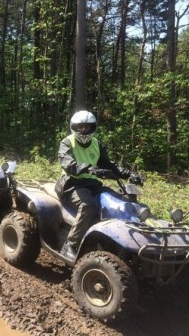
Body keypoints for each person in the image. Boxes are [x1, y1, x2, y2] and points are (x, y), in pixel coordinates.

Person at [55, 110, 133, 260]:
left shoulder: (97, 144)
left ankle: (119, 244)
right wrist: (88, 168)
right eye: (80, 127)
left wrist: (129, 173)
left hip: (92, 184)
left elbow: (109, 165)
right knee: (88, 206)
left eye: (87, 127)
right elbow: (67, 163)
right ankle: (70, 244)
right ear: (74, 127)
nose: (84, 130)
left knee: (120, 203)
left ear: (93, 127)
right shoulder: (67, 142)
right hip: (72, 183)